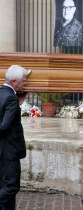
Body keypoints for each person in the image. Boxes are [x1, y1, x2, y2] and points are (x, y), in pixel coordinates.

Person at [0, 65, 28, 210]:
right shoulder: (11, 97)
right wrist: (15, 104)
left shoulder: (2, 93)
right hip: (9, 150)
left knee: (3, 185)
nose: (25, 84)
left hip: (2, 149)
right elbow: (4, 125)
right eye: (23, 81)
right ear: (13, 81)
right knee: (11, 186)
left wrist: (17, 104)